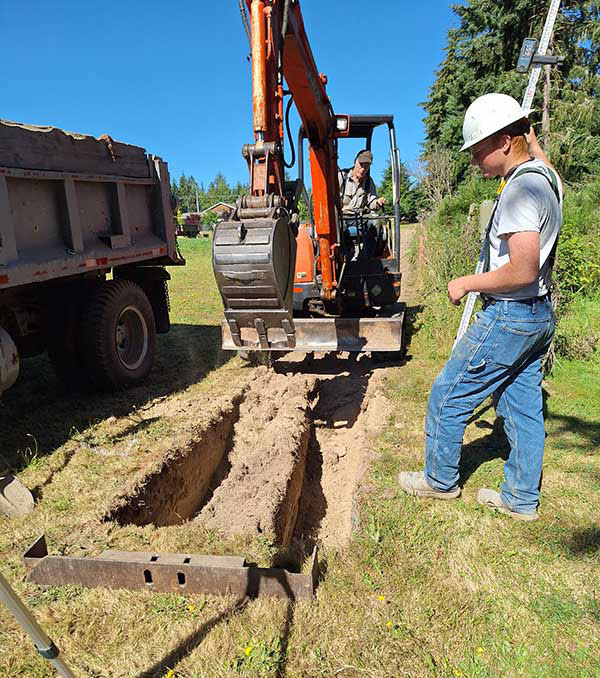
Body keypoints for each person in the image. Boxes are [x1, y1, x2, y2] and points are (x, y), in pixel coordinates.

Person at [398, 92, 563, 521]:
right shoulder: (546, 177)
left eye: (477, 150)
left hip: (511, 314)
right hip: (539, 316)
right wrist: (527, 128)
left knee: (447, 395)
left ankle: (439, 481)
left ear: (505, 141)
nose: (474, 160)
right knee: (523, 407)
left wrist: (464, 283)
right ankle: (522, 498)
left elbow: (523, 269)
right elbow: (539, 154)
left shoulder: (520, 190)